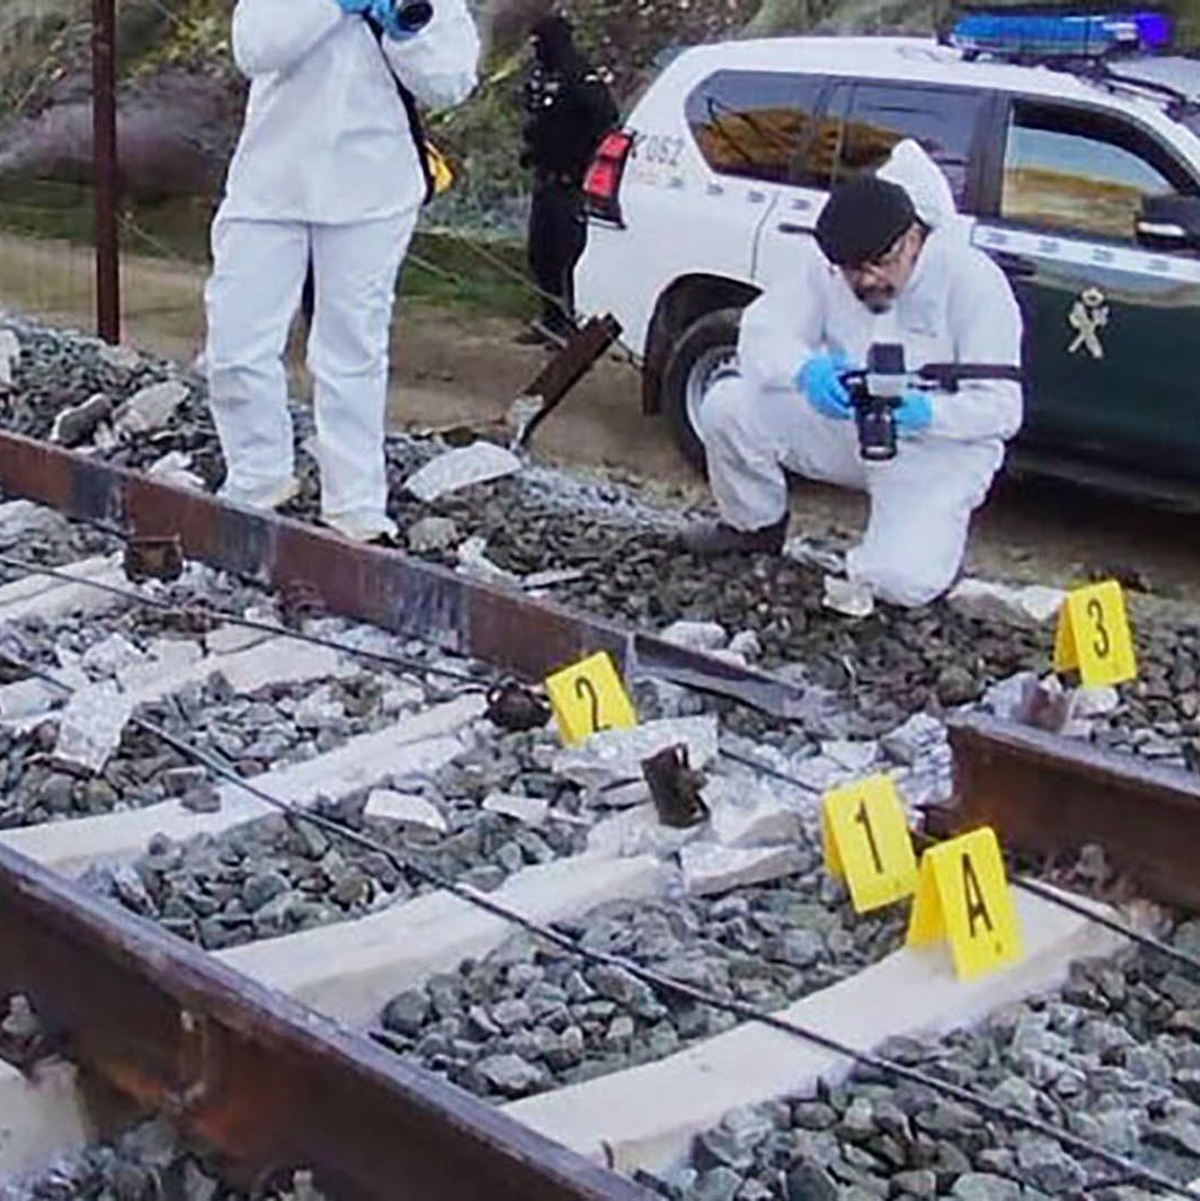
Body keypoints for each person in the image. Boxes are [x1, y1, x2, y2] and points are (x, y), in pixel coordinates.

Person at [683, 140, 1024, 608]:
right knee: (726, 406)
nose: (865, 281)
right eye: (851, 271)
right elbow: (762, 334)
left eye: (878, 265)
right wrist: (807, 371)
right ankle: (753, 527)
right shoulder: (829, 268)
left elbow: (1003, 411)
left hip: (937, 448)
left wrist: (924, 412)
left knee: (894, 584)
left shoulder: (973, 281)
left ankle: (928, 547)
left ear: (912, 239)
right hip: (849, 425)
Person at [204, 0, 480, 542]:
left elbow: (450, 82)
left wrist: (406, 28)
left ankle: (355, 506)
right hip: (271, 180)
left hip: (373, 185)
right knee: (236, 342)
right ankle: (257, 478)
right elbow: (255, 47)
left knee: (351, 350)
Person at [518, 15, 617, 345]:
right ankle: (550, 320)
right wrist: (535, 148)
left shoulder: (580, 76)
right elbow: (538, 117)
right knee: (540, 253)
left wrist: (582, 163)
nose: (536, 50)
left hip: (572, 182)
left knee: (569, 255)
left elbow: (605, 121)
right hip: (546, 178)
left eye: (540, 44)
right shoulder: (542, 73)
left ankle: (573, 322)